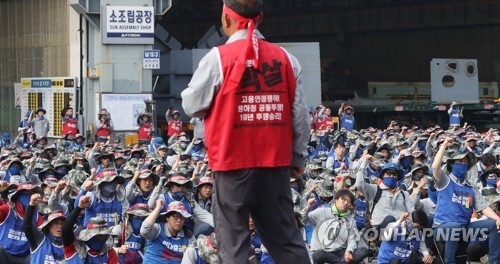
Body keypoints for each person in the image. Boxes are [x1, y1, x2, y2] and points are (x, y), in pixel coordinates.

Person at [180, 0, 311, 262]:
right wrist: (297, 158)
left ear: (225, 19)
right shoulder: (286, 59)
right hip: (275, 165)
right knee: (286, 240)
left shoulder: (217, 58)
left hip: (231, 167)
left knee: (234, 242)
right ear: (260, 18)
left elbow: (191, 105)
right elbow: (300, 117)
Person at [432, 138, 500, 264]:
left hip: (464, 227)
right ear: (452, 164)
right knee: (455, 227)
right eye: (459, 161)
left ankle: (494, 261)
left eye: (465, 162)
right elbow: (435, 167)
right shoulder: (445, 181)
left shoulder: (471, 187)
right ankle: (449, 262)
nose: (463, 164)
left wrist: (497, 219)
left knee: (494, 225)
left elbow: (484, 207)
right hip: (442, 227)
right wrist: (444, 145)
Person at [306, 189, 367, 264]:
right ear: (336, 200)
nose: (346, 203)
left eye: (349, 202)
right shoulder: (321, 212)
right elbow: (303, 221)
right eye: (343, 199)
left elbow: (352, 239)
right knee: (318, 255)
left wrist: (349, 251)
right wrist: (308, 207)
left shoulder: (351, 220)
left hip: (340, 253)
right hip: (323, 252)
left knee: (363, 251)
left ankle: (340, 262)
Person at [62, 195, 119, 263]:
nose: (103, 239)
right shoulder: (74, 247)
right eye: (99, 236)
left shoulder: (109, 252)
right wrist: (79, 207)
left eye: (105, 236)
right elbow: (66, 229)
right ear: (90, 235)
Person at [22, 193, 66, 264]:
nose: (59, 226)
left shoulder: (70, 245)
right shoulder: (40, 240)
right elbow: (27, 226)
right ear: (48, 226)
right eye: (56, 223)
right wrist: (31, 205)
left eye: (62, 223)